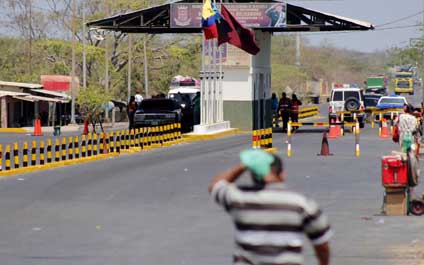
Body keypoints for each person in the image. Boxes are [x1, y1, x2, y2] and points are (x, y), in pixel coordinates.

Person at [208, 150, 332, 265]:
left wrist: (243, 165)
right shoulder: (301, 204)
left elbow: (215, 186)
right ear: (282, 175)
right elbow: (321, 244)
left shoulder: (240, 199)